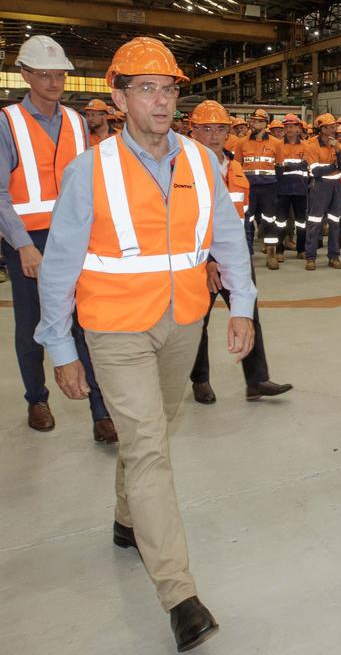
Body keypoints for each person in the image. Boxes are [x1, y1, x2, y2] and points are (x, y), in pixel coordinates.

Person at [35, 36, 256, 652]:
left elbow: (228, 239)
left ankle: (128, 520)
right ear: (120, 97)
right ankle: (179, 596)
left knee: (151, 433)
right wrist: (60, 348)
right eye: (148, 89)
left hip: (184, 321)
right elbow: (59, 266)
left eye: (170, 89)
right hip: (114, 329)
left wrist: (242, 305)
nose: (162, 101)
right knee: (151, 448)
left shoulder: (200, 161)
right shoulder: (91, 170)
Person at [1, 35, 117, 441]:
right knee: (33, 322)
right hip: (28, 239)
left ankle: (100, 411)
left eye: (60, 74)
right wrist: (23, 245)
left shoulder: (74, 121)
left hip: (74, 236)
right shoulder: (7, 122)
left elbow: (86, 183)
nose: (54, 82)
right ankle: (37, 398)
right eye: (44, 74)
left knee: (85, 321)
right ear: (26, 75)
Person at [186, 100, 292, 403]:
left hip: (234, 256)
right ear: (193, 131)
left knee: (248, 314)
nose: (214, 135)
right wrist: (206, 261)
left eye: (220, 129)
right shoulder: (185, 171)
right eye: (206, 129)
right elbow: (186, 223)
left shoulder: (234, 166)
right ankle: (200, 380)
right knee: (198, 323)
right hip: (200, 261)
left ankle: (256, 381)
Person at [233, 108, 282, 268]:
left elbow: (279, 168)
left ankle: (271, 254)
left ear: (265, 123)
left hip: (269, 188)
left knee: (269, 221)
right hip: (249, 189)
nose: (254, 123)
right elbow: (237, 167)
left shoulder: (276, 143)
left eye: (258, 120)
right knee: (247, 221)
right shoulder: (241, 143)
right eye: (253, 120)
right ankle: (246, 255)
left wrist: (277, 190)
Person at [303, 113, 341, 270]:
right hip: (320, 187)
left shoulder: (338, 145)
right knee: (315, 222)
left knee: (335, 222)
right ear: (321, 129)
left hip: (336, 187)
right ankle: (310, 257)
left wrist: (337, 149)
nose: (332, 129)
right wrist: (334, 167)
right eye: (329, 127)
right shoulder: (311, 146)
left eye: (333, 126)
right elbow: (316, 171)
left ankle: (333, 257)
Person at [274, 114, 310, 262]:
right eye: (286, 126)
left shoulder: (306, 146)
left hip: (300, 189)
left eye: (292, 126)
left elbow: (307, 165)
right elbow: (278, 168)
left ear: (298, 128)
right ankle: (279, 250)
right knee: (280, 221)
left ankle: (301, 249)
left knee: (301, 221)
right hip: (283, 189)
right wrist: (296, 165)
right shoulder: (278, 146)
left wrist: (287, 166)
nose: (289, 129)